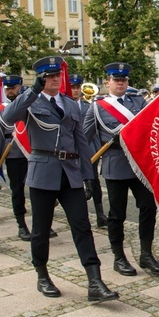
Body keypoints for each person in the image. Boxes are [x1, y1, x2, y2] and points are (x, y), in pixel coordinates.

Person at [2, 56, 118, 302]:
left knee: (82, 227)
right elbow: (9, 117)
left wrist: (88, 176)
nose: (55, 80)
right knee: (41, 229)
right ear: (41, 79)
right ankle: (42, 275)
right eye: (49, 76)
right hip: (43, 171)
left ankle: (94, 281)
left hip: (71, 171)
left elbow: (81, 142)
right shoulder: (30, 102)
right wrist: (32, 91)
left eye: (57, 76)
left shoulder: (70, 104)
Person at [84, 62, 159, 277]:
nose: (121, 83)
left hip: (139, 165)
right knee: (117, 213)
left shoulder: (138, 101)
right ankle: (119, 257)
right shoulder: (98, 106)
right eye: (116, 80)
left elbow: (151, 126)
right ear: (108, 82)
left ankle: (146, 254)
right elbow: (85, 137)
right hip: (115, 165)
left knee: (148, 207)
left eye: (124, 80)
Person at [0, 75, 31, 240]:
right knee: (17, 191)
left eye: (13, 87)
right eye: (7, 88)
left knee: (39, 189)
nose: (10, 90)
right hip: (14, 153)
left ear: (20, 87)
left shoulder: (29, 104)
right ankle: (21, 224)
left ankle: (43, 222)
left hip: (32, 151)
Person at [70, 74, 108, 228]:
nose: (75, 91)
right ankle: (80, 217)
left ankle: (100, 214)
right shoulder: (63, 106)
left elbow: (97, 130)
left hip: (90, 150)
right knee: (75, 184)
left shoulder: (89, 106)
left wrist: (98, 149)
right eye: (72, 88)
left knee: (94, 182)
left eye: (77, 87)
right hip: (71, 151)